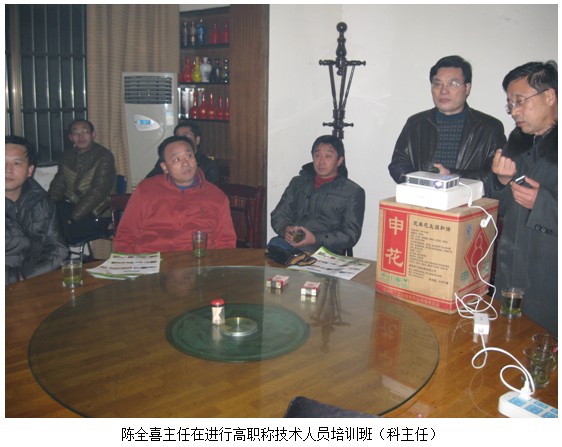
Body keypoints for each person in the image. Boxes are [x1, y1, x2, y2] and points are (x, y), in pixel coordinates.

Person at [488, 61, 557, 336]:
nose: (514, 111)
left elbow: (539, 204)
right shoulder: (516, 144)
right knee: (506, 340)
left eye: (520, 101)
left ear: (549, 96)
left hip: (549, 273)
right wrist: (501, 181)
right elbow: (501, 207)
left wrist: (543, 204)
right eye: (510, 104)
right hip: (512, 267)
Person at [388, 55, 507, 185]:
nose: (443, 90)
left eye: (453, 84)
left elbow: (494, 174)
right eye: (437, 84)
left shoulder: (490, 128)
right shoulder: (415, 123)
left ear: (467, 88)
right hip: (420, 195)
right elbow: (398, 165)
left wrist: (451, 177)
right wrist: (427, 184)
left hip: (469, 197)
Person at [113, 135, 236, 253]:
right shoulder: (146, 190)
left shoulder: (216, 196)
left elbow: (226, 242)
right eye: (177, 159)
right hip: (152, 260)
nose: (185, 163)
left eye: (189, 156)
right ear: (165, 167)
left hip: (198, 262)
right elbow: (126, 235)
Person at [268, 135, 365, 263]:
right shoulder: (298, 183)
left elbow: (350, 235)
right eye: (317, 155)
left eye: (328, 156)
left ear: (339, 161)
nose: (321, 161)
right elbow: (278, 214)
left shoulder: (353, 192)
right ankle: (296, 257)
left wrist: (315, 238)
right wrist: (285, 228)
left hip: (324, 252)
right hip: (290, 247)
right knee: (274, 246)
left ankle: (299, 258)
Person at [5, 135, 69, 285]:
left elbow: (58, 251)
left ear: (30, 170)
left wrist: (25, 277)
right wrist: (15, 279)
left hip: (32, 281)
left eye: (16, 163)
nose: (8, 169)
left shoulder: (42, 202)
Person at [48, 119, 117, 244]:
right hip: (71, 207)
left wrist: (73, 217)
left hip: (96, 213)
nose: (81, 136)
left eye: (85, 131)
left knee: (54, 232)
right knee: (44, 220)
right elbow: (58, 185)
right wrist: (49, 207)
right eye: (76, 133)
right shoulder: (66, 156)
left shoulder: (104, 156)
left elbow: (98, 191)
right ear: (70, 137)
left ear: (93, 134)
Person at [146, 120, 221, 184]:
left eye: (186, 136)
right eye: (177, 136)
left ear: (197, 140)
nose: (181, 140)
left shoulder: (208, 165)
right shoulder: (167, 161)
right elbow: (148, 182)